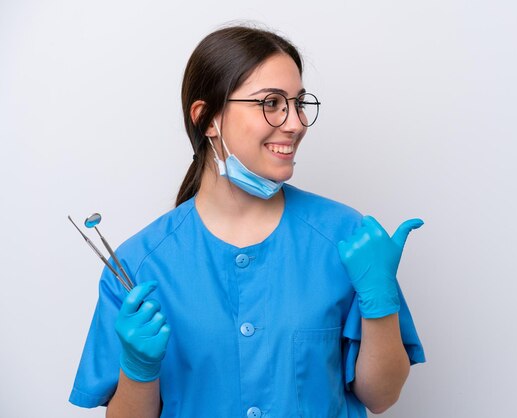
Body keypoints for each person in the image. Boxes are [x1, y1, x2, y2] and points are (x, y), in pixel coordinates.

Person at [69, 24, 425, 418]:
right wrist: (139, 369)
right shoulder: (137, 265)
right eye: (271, 103)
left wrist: (380, 303)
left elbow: (381, 396)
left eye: (299, 102)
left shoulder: (344, 238)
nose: (296, 123)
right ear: (207, 119)